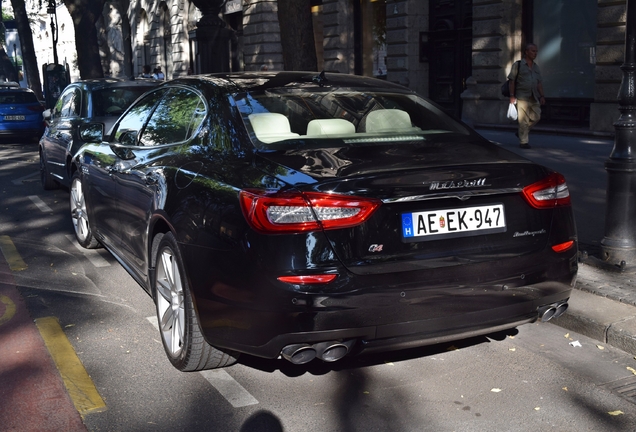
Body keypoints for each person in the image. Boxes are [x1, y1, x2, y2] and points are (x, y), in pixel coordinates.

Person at [508, 43, 546, 149]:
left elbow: (539, 83)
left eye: (536, 51)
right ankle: (523, 142)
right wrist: (512, 95)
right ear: (526, 52)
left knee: (537, 116)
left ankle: (520, 132)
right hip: (522, 96)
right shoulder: (518, 65)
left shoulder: (536, 67)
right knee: (523, 120)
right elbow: (512, 81)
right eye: (533, 51)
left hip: (533, 95)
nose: (535, 53)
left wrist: (542, 96)